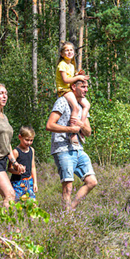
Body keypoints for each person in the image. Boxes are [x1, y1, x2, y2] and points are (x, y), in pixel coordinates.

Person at [46, 79, 97, 210]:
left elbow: (89, 132)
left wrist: (80, 124)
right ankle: (66, 220)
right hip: (62, 148)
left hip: (78, 148)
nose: (86, 90)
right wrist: (69, 129)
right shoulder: (62, 101)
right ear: (74, 87)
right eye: (83, 87)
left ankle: (70, 209)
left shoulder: (81, 106)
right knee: (67, 188)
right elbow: (49, 125)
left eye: (87, 87)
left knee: (92, 182)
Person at [55, 41, 90, 143]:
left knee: (86, 104)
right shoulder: (62, 65)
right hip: (64, 90)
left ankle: (80, 126)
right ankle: (73, 132)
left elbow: (73, 76)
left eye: (71, 50)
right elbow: (65, 80)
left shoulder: (71, 65)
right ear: (62, 54)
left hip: (70, 89)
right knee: (75, 107)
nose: (69, 52)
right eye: (67, 50)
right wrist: (78, 77)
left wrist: (78, 75)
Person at [10, 126, 38, 202]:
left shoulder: (31, 150)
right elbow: (9, 168)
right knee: (17, 204)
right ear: (20, 137)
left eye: (31, 140)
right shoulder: (15, 152)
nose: (29, 142)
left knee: (33, 204)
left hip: (29, 181)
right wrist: (17, 171)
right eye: (27, 140)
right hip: (17, 183)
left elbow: (33, 167)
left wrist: (35, 182)